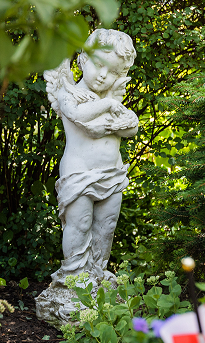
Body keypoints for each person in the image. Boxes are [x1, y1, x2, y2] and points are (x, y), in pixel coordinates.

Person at [37, 29, 139, 323]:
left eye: (113, 71)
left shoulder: (110, 95)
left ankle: (96, 273)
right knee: (79, 224)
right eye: (98, 65)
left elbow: (131, 125)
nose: (104, 76)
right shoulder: (68, 91)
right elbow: (81, 117)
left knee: (106, 226)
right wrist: (109, 110)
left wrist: (109, 123)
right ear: (81, 59)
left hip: (112, 173)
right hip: (79, 172)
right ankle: (74, 279)